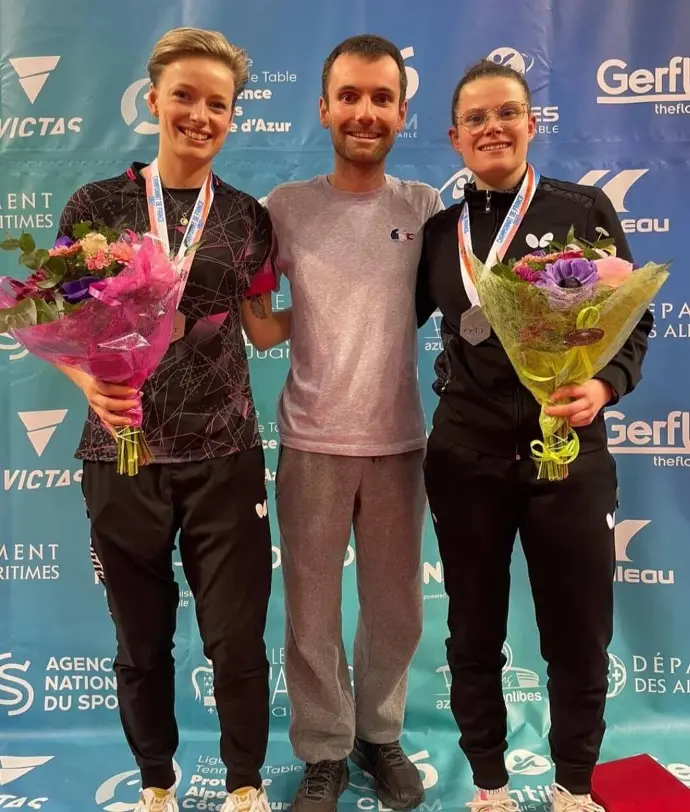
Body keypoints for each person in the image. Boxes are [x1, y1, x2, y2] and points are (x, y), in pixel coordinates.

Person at [56, 28, 289, 812]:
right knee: (141, 644)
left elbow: (261, 328)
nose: (199, 114)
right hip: (120, 453)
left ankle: (245, 786)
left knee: (235, 643)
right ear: (152, 100)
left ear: (232, 118)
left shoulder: (250, 219)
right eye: (184, 96)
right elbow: (55, 316)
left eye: (216, 103)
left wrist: (362, 311)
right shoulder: (97, 205)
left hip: (225, 454)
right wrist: (86, 382)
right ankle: (156, 784)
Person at [416, 59, 653, 812]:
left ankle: (575, 785)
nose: (493, 127)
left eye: (507, 113)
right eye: (476, 118)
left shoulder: (584, 209)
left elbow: (633, 322)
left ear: (531, 123)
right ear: (454, 136)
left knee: (578, 633)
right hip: (465, 455)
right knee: (473, 631)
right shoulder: (436, 234)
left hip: (570, 454)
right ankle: (488, 783)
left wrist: (605, 385)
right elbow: (382, 327)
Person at [265, 34, 442, 812]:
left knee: (397, 611)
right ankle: (325, 749)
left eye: (381, 98)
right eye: (350, 97)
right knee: (310, 614)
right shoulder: (285, 208)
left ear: (403, 112)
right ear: (324, 108)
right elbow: (262, 319)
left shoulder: (425, 207)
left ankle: (378, 735)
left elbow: (460, 310)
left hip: (400, 443)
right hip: (310, 442)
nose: (364, 112)